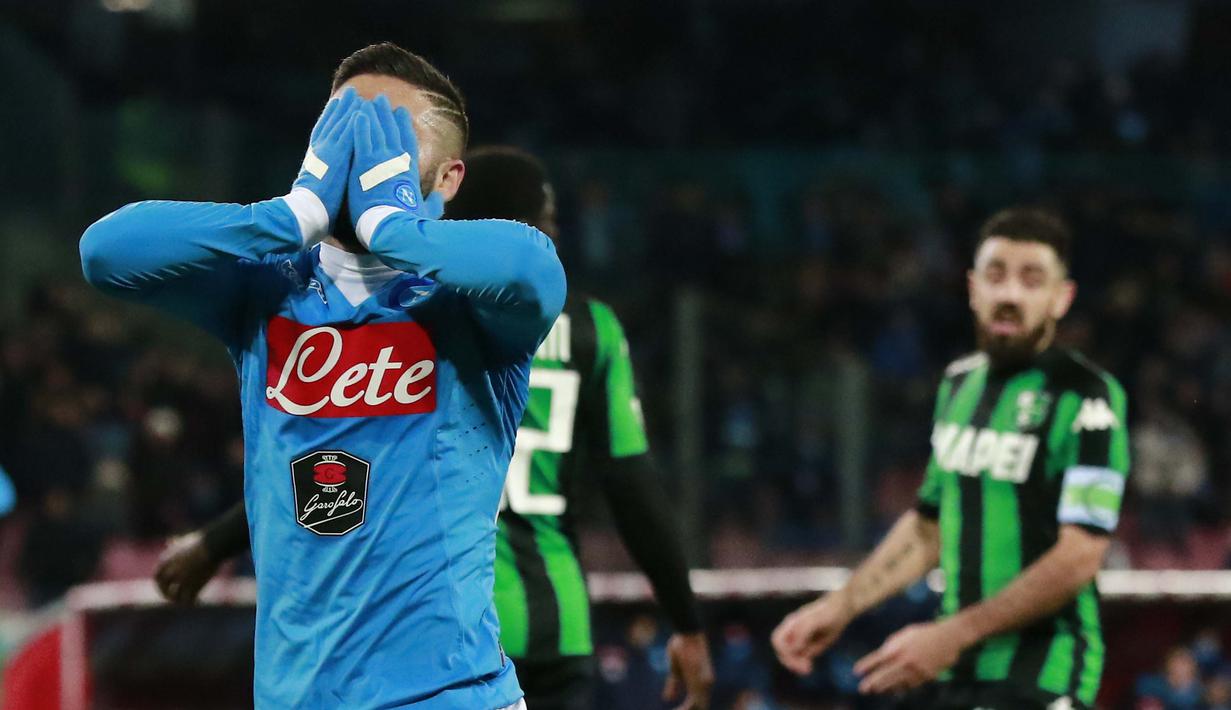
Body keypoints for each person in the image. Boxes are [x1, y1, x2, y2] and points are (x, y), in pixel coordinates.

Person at [81, 42, 566, 710]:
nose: (364, 154)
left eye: (392, 134)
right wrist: (289, 217)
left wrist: (392, 224)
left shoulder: (468, 305)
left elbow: (533, 270)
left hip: (450, 697)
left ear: (450, 178)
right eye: (345, 130)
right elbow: (106, 253)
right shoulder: (267, 290)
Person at [154, 146, 715, 710]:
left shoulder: (407, 314)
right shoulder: (591, 329)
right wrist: (686, 622)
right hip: (550, 625)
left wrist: (216, 542)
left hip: (428, 624)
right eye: (547, 222)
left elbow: (345, 460)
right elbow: (630, 484)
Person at [772, 208, 1130, 710]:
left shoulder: (1089, 397)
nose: (1009, 294)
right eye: (996, 275)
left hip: (1045, 673)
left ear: (1061, 298)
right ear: (971, 288)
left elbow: (1079, 556)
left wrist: (951, 634)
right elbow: (930, 526)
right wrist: (841, 605)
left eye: (1032, 280)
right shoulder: (958, 385)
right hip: (958, 671)